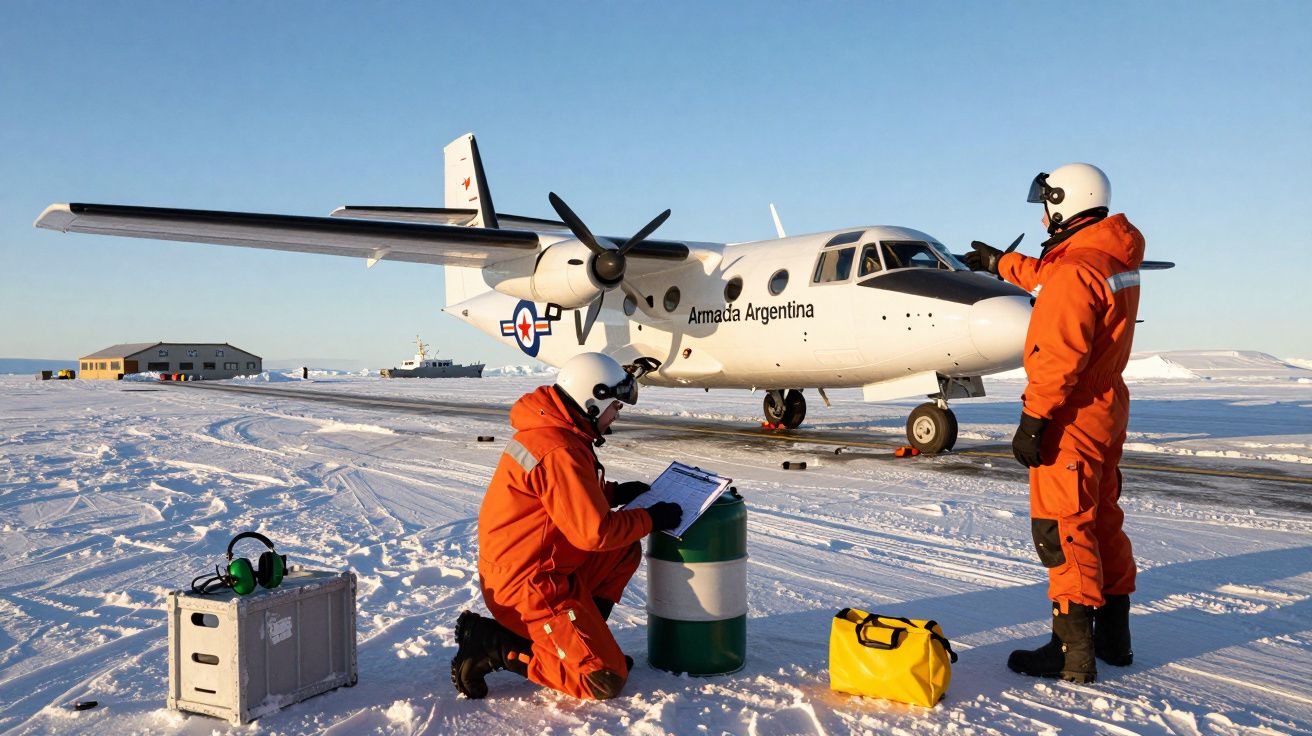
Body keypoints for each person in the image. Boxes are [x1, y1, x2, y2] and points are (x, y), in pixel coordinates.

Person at [965, 163, 1142, 683]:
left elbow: (1056, 353)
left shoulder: (1075, 270)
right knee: (1102, 515)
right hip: (1107, 405)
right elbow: (1058, 277)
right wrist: (1004, 264)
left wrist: (1034, 419)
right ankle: (1114, 638)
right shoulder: (1110, 255)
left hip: (1069, 411)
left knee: (1063, 526)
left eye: (1047, 203)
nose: (1043, 215)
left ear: (1064, 202)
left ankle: (1072, 651)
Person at [450, 352, 682, 700]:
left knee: (623, 550)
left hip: (537, 568)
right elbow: (595, 532)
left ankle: (581, 640)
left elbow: (561, 496)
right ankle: (491, 643)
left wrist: (614, 492)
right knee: (604, 679)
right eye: (615, 406)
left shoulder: (557, 433)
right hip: (528, 586)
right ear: (592, 402)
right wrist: (652, 518)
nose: (616, 415)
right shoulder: (559, 448)